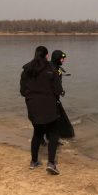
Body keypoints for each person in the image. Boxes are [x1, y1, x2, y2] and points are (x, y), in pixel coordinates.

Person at [20, 46, 63, 175]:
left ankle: (34, 162)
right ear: (47, 56)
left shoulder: (27, 70)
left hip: (32, 106)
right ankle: (51, 164)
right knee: (54, 133)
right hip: (49, 106)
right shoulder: (52, 69)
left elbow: (22, 92)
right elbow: (57, 90)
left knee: (37, 133)